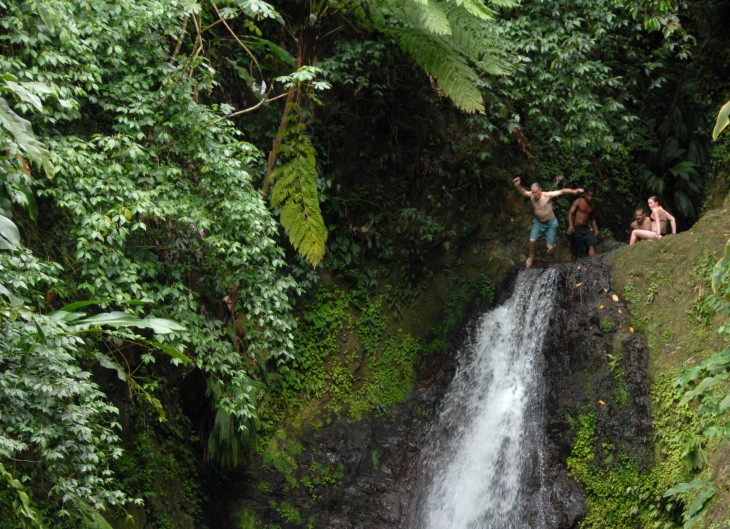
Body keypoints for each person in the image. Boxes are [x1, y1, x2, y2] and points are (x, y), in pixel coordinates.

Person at [513, 176, 584, 268]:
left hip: (551, 223)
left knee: (550, 247)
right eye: (533, 192)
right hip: (539, 222)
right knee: (531, 240)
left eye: (536, 192)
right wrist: (518, 185)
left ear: (540, 190)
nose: (535, 194)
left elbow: (562, 191)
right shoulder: (531, 195)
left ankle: (551, 244)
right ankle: (531, 256)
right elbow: (523, 192)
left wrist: (574, 191)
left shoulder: (547, 195)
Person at [567, 189, 599, 260]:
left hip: (586, 228)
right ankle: (573, 264)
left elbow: (592, 218)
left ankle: (593, 263)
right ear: (585, 195)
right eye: (588, 196)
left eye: (591, 196)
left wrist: (596, 228)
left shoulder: (592, 206)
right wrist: (570, 225)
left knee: (591, 244)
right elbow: (570, 213)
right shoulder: (578, 201)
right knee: (575, 250)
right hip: (576, 227)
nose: (590, 198)